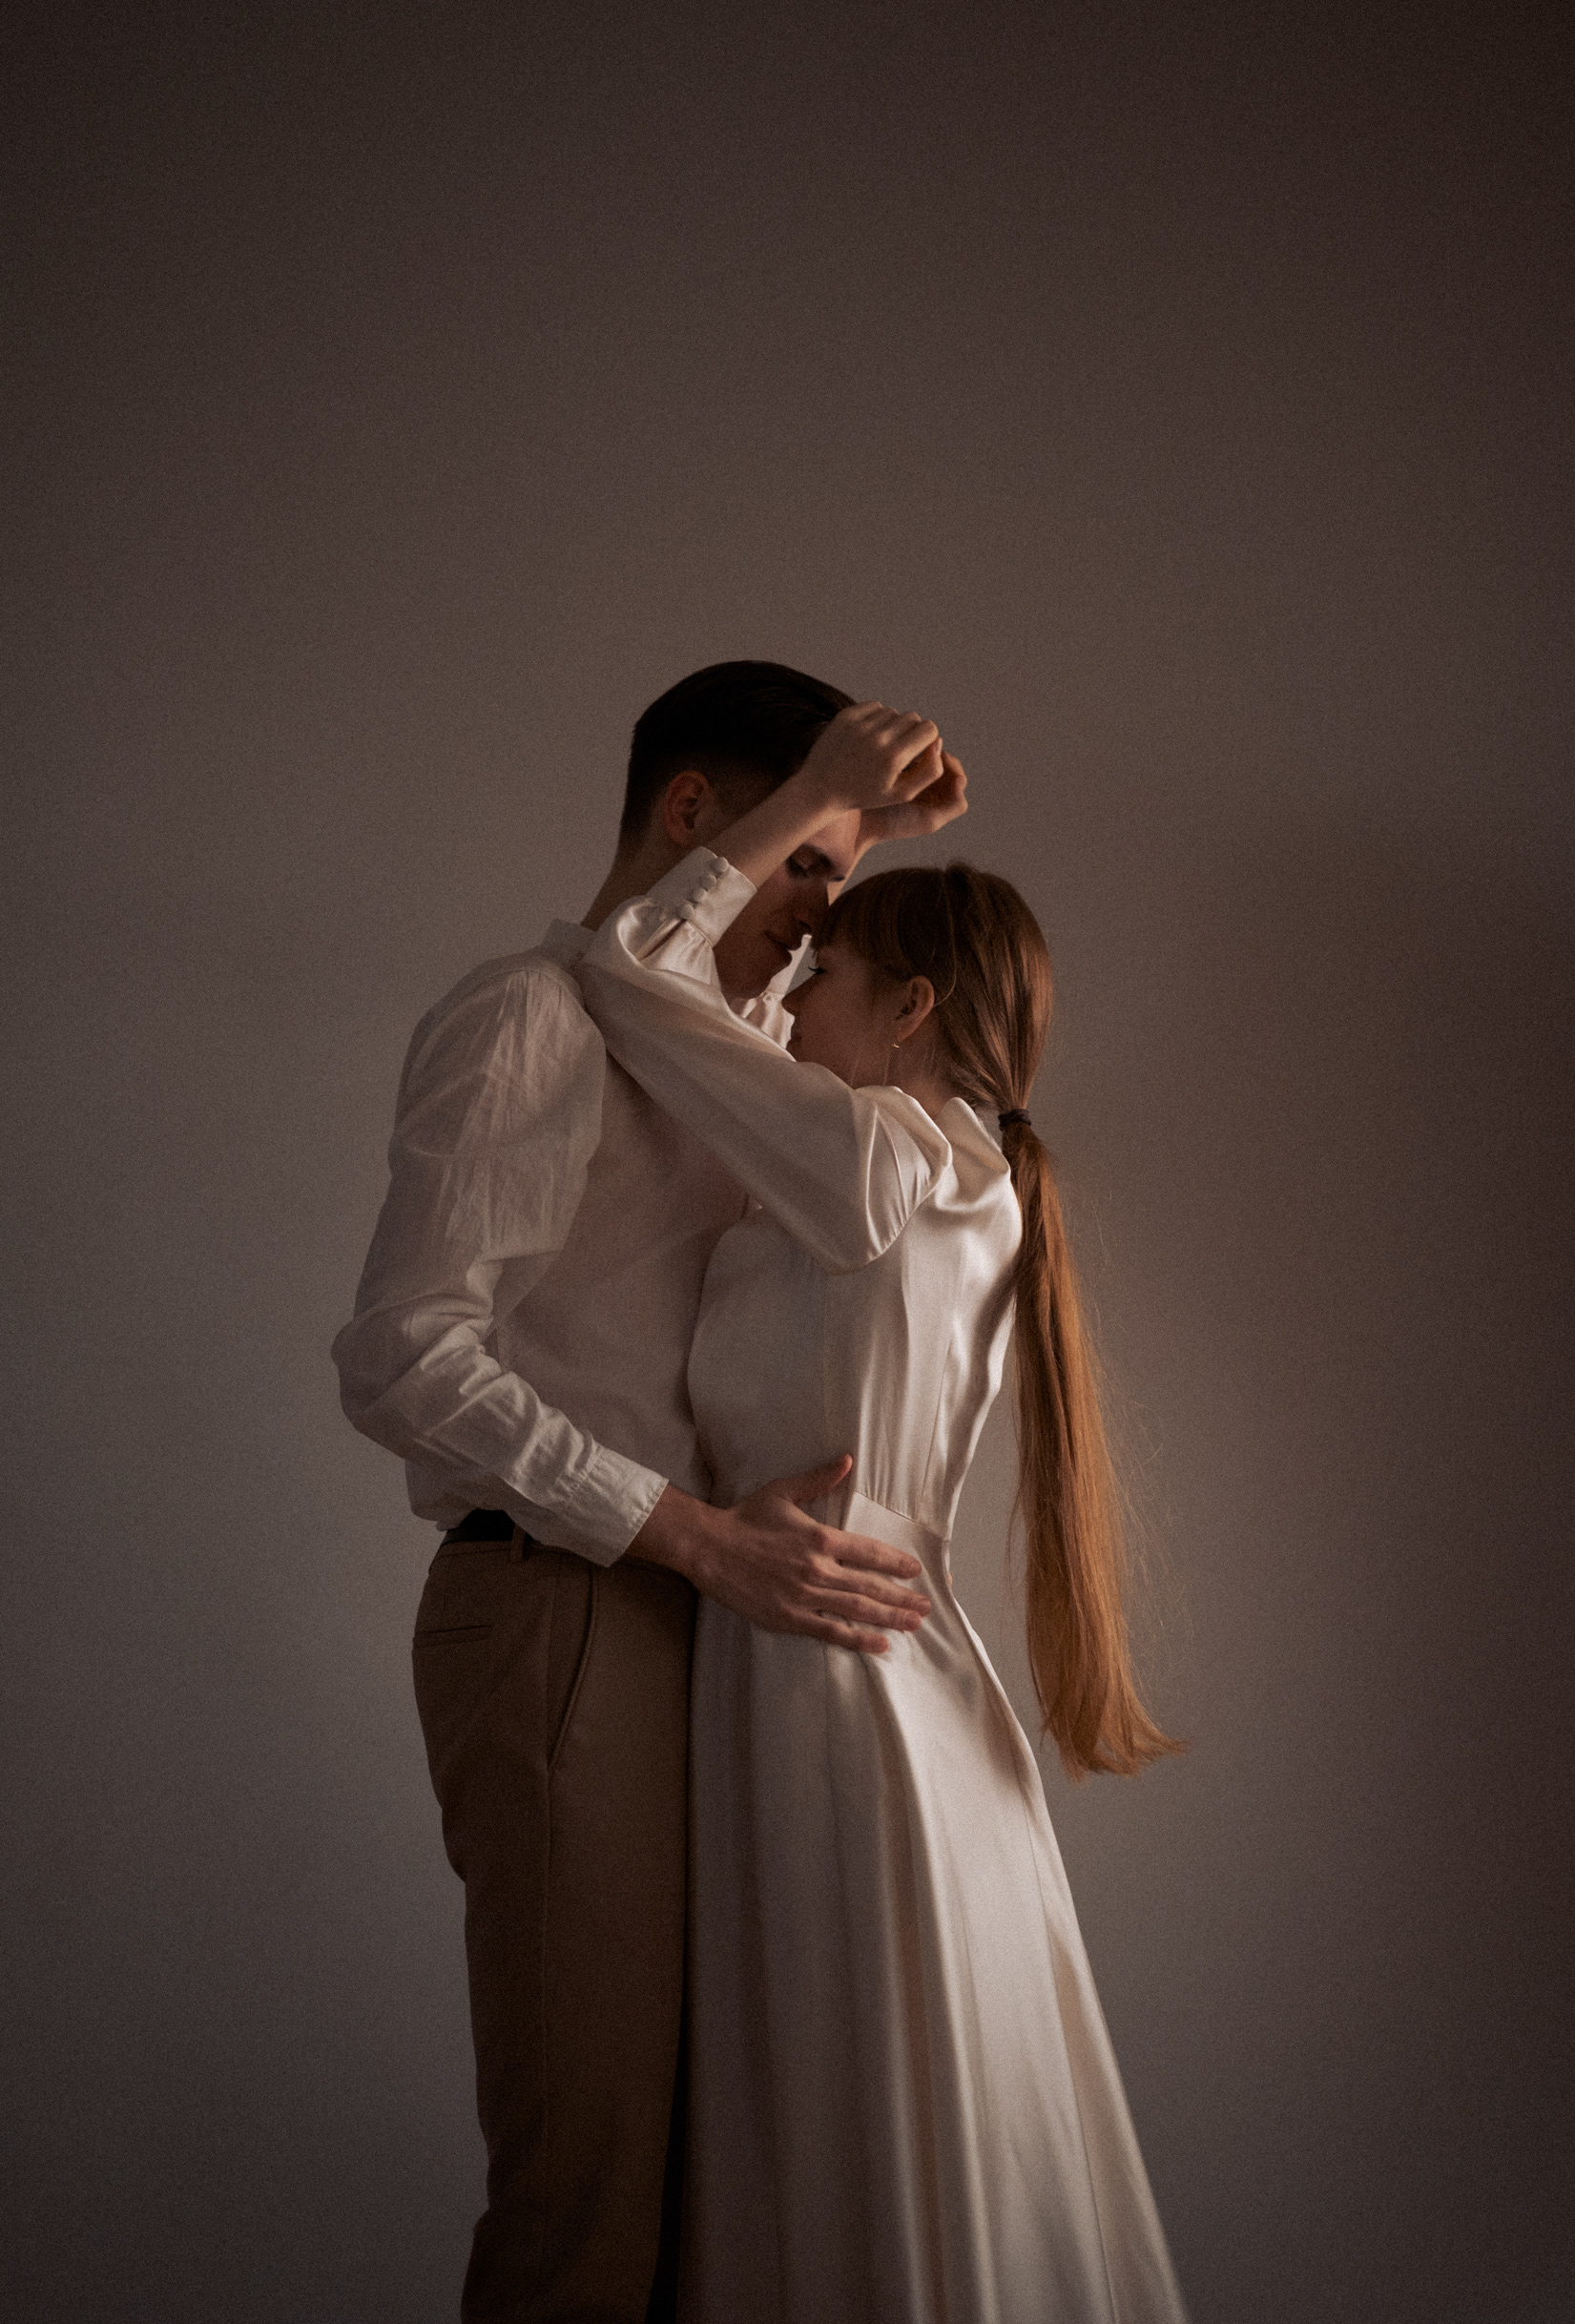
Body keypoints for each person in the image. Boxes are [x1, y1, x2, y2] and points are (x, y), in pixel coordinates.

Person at [330, 663, 967, 2324]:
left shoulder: (734, 1057)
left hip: (710, 1622)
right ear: (695, 813)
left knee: (715, 2188)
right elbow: (405, 1355)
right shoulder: (531, 1016)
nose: (826, 916)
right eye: (809, 861)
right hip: (569, 1612)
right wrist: (691, 1535)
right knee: (591, 2188)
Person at [578, 711, 1189, 2323]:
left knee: (837, 2112)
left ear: (911, 1009)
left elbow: (622, 969)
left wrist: (817, 800)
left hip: (837, 1686)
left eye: (822, 974)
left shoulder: (885, 1165)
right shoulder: (922, 1178)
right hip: (829, 1666)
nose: (785, 1003)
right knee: (848, 2120)